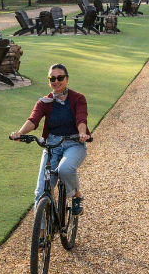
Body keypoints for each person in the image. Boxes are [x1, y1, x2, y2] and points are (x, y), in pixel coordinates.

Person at [10, 63, 90, 214]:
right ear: (49, 81)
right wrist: (20, 133)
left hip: (74, 143)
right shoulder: (44, 102)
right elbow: (33, 120)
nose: (56, 81)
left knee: (65, 169)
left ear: (67, 79)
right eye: (52, 78)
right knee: (41, 190)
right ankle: (40, 233)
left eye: (60, 77)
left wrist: (82, 133)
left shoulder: (78, 98)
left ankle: (76, 195)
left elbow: (81, 118)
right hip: (52, 145)